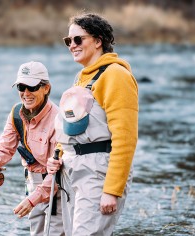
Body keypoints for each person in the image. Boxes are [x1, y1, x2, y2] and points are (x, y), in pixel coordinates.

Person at [47, 13, 139, 235]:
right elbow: (70, 127)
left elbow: (125, 138)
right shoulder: (83, 77)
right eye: (68, 41)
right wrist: (58, 156)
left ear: (98, 41)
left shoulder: (116, 75)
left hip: (98, 173)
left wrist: (112, 190)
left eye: (78, 39)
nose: (72, 45)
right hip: (71, 172)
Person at [0, 61, 64, 236]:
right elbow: (5, 147)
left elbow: (60, 170)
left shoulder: (59, 120)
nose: (25, 93)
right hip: (32, 184)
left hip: (58, 187)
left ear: (46, 88)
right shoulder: (16, 113)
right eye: (21, 87)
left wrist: (33, 200)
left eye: (31, 87)